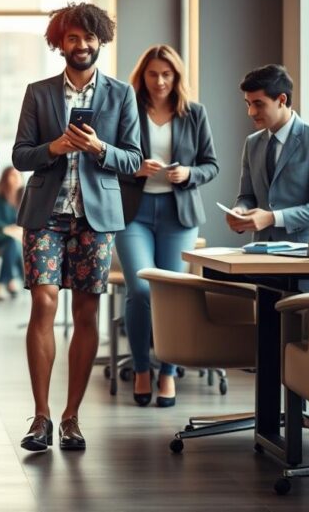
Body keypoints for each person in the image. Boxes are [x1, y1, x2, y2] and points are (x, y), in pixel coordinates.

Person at [12, 2, 142, 452]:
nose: (81, 45)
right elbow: (20, 156)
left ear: (99, 40)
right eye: (72, 38)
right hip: (45, 214)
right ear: (59, 43)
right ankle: (41, 417)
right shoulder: (39, 92)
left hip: (96, 217)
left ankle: (72, 417)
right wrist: (55, 146)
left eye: (89, 37)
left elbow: (133, 159)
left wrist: (98, 147)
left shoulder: (121, 94)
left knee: (86, 312)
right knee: (43, 304)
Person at [115, 44, 219, 407]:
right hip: (134, 213)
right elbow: (106, 159)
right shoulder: (126, 110)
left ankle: (168, 373)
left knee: (172, 293)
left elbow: (211, 164)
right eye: (153, 74)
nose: (159, 81)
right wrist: (133, 167)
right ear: (142, 76)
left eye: (167, 74)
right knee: (141, 291)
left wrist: (189, 172)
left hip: (179, 215)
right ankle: (142, 368)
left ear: (176, 77)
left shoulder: (194, 114)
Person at [227, 64, 309, 293]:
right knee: (266, 327)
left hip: (305, 260)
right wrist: (240, 212)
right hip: (261, 259)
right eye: (248, 104)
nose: (251, 112)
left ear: (282, 99)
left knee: (300, 328)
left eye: (258, 104)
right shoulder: (252, 143)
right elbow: (246, 195)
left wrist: (271, 218)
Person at [0, 166, 24, 300]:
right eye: (12, 175)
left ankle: (6, 281)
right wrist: (10, 230)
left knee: (12, 244)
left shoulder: (23, 200)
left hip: (12, 239)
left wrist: (17, 231)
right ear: (5, 178)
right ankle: (10, 281)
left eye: (18, 176)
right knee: (13, 241)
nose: (16, 178)